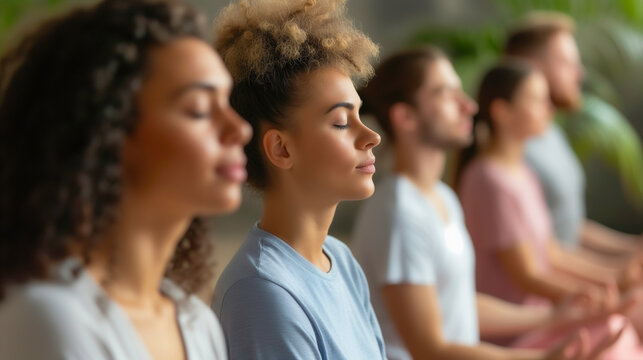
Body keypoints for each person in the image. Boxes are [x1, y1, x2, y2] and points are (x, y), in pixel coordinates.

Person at [0, 1, 251, 359]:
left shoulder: (196, 323)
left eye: (228, 102)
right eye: (198, 109)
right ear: (108, 132)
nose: (239, 129)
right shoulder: (47, 319)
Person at [352, 46, 629, 360]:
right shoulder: (398, 210)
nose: (468, 105)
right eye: (446, 94)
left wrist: (555, 317)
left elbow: (460, 305)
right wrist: (543, 357)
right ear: (405, 116)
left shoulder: (441, 197)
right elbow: (428, 348)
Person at [210, 0, 385, 359]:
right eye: (340, 122)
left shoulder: (341, 260)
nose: (371, 136)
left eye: (360, 114)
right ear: (281, 149)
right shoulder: (260, 291)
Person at [457, 60, 643, 359]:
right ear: (502, 112)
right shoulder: (488, 180)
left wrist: (615, 276)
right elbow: (528, 276)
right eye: (537, 100)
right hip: (515, 333)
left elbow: (552, 253)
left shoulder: (521, 171)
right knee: (616, 325)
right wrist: (599, 296)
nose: (549, 108)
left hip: (547, 318)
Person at [504, 12, 642, 257]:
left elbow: (567, 225)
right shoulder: (512, 153)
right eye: (567, 63)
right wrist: (613, 276)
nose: (580, 74)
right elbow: (540, 257)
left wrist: (632, 250)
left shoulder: (551, 132)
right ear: (532, 69)